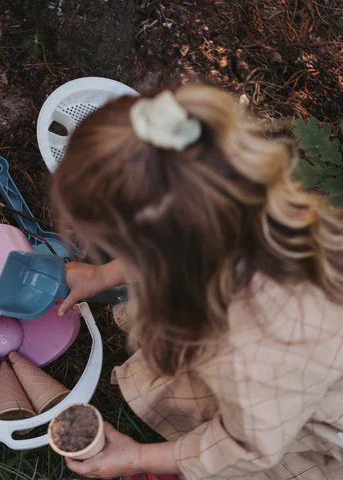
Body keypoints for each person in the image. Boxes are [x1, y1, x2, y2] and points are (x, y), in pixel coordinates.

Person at [49, 86, 343, 479]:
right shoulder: (237, 206)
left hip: (300, 421)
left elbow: (248, 446)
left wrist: (137, 457)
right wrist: (103, 275)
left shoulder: (259, 351)